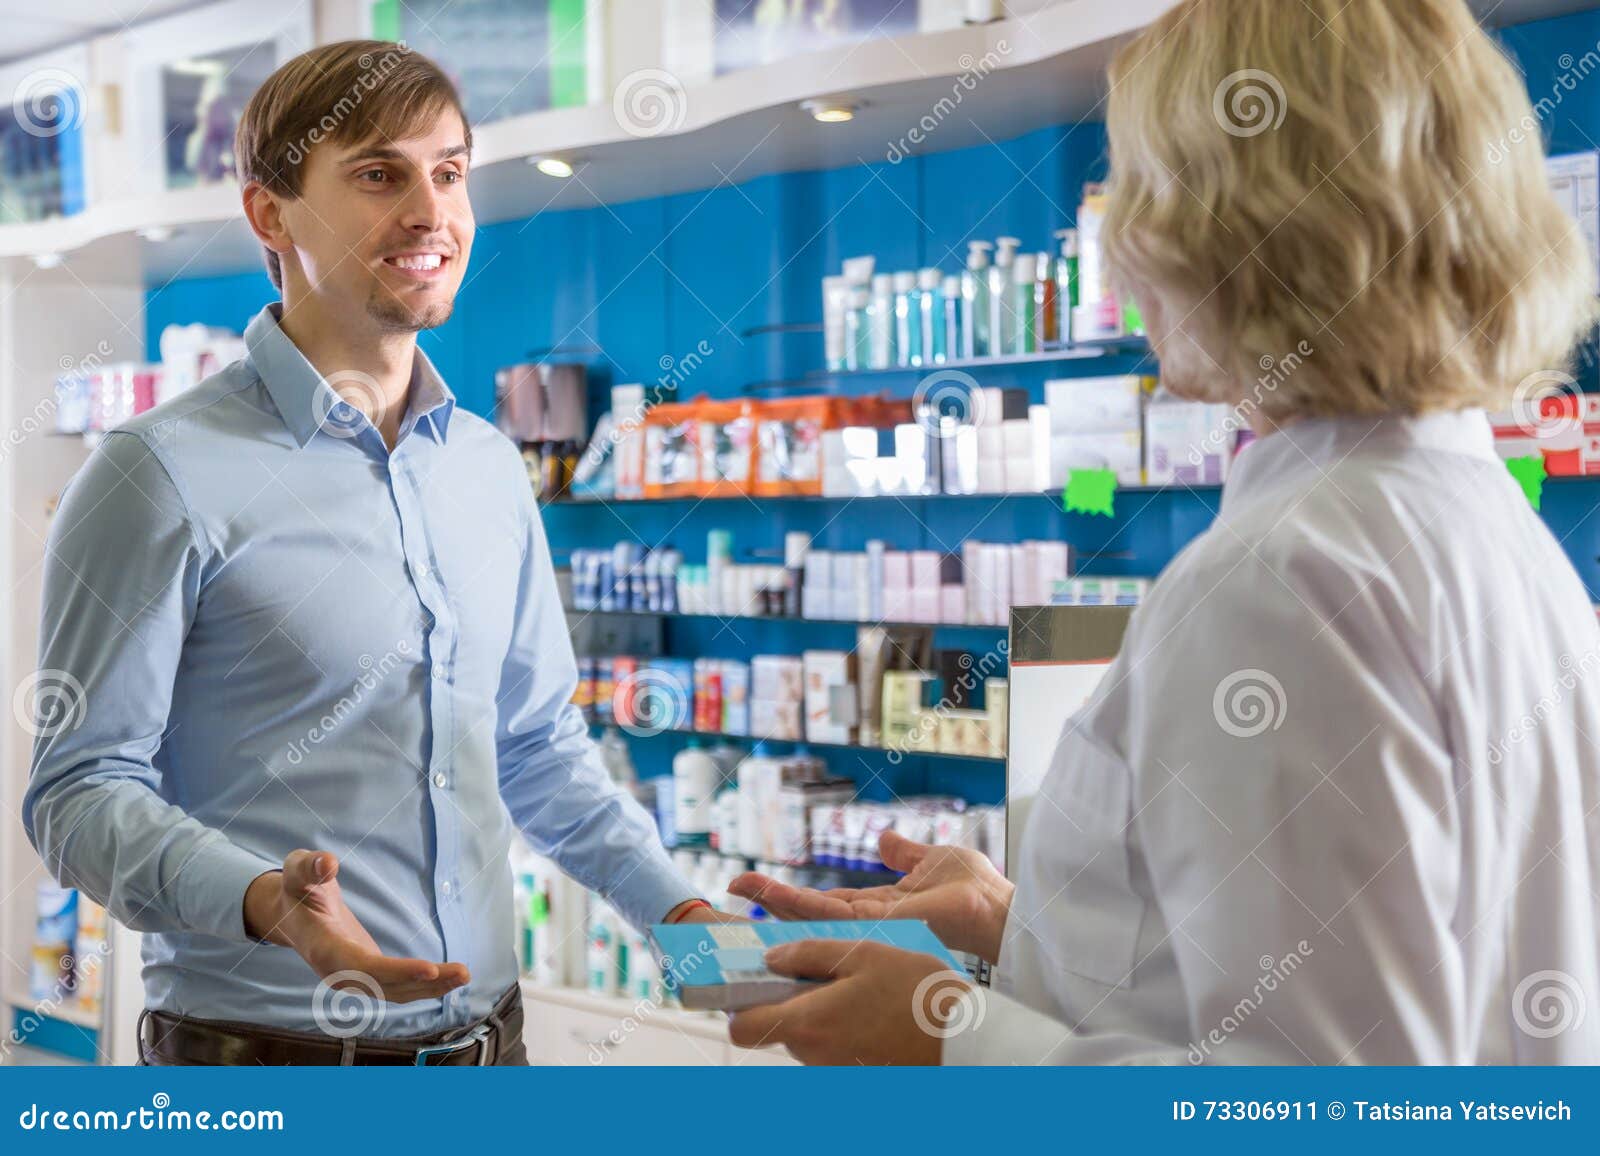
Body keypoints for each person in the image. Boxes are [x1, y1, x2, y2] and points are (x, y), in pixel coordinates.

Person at [727, 0, 1600, 1065]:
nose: (1120, 237)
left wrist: (948, 1031)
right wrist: (1031, 925)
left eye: (1136, 182)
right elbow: (1381, 979)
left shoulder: (1283, 576)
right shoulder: (1488, 531)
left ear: (1229, 223)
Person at [22, 41, 728, 1067]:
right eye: (377, 173)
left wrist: (684, 916)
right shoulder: (157, 473)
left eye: (448, 172)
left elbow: (534, 748)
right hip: (268, 1065)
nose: (430, 212)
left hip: (495, 1052)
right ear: (270, 213)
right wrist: (266, 901)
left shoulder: (486, 470)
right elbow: (77, 792)